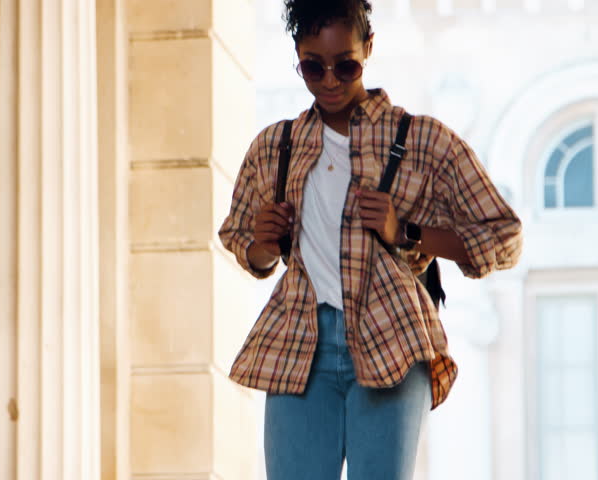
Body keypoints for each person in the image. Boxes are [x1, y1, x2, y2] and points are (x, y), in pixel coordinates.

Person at [218, 1, 523, 479]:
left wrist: (406, 231)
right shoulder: (274, 147)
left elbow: (504, 237)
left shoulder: (423, 140)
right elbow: (247, 249)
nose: (330, 81)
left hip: (392, 339)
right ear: (298, 57)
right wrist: (264, 243)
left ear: (369, 49)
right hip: (299, 344)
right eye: (313, 67)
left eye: (346, 66)